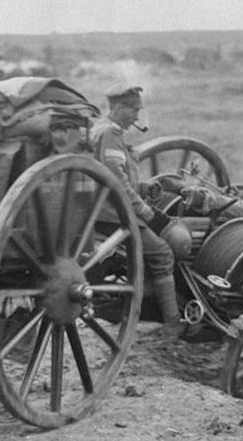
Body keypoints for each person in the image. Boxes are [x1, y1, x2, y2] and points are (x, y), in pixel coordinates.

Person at [90, 83, 184, 338]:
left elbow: (115, 176)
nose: (136, 116)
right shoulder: (109, 134)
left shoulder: (102, 130)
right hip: (114, 214)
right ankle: (173, 323)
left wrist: (142, 187)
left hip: (106, 209)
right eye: (133, 109)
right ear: (118, 107)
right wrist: (141, 208)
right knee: (163, 253)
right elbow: (114, 178)